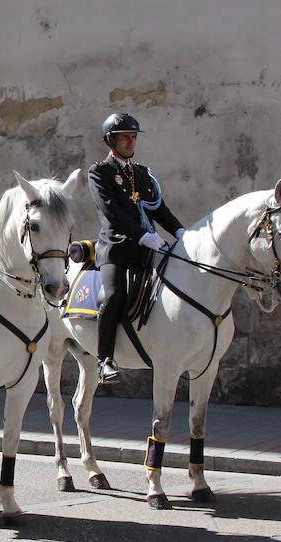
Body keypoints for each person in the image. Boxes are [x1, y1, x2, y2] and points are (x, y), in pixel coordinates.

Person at [88, 113, 186, 384]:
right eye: (124, 138)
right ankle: (104, 360)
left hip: (146, 250)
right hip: (116, 250)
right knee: (113, 295)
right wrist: (143, 236)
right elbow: (112, 212)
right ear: (111, 141)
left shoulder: (142, 173)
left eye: (133, 137)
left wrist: (179, 231)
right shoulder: (99, 172)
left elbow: (159, 208)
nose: (130, 143)